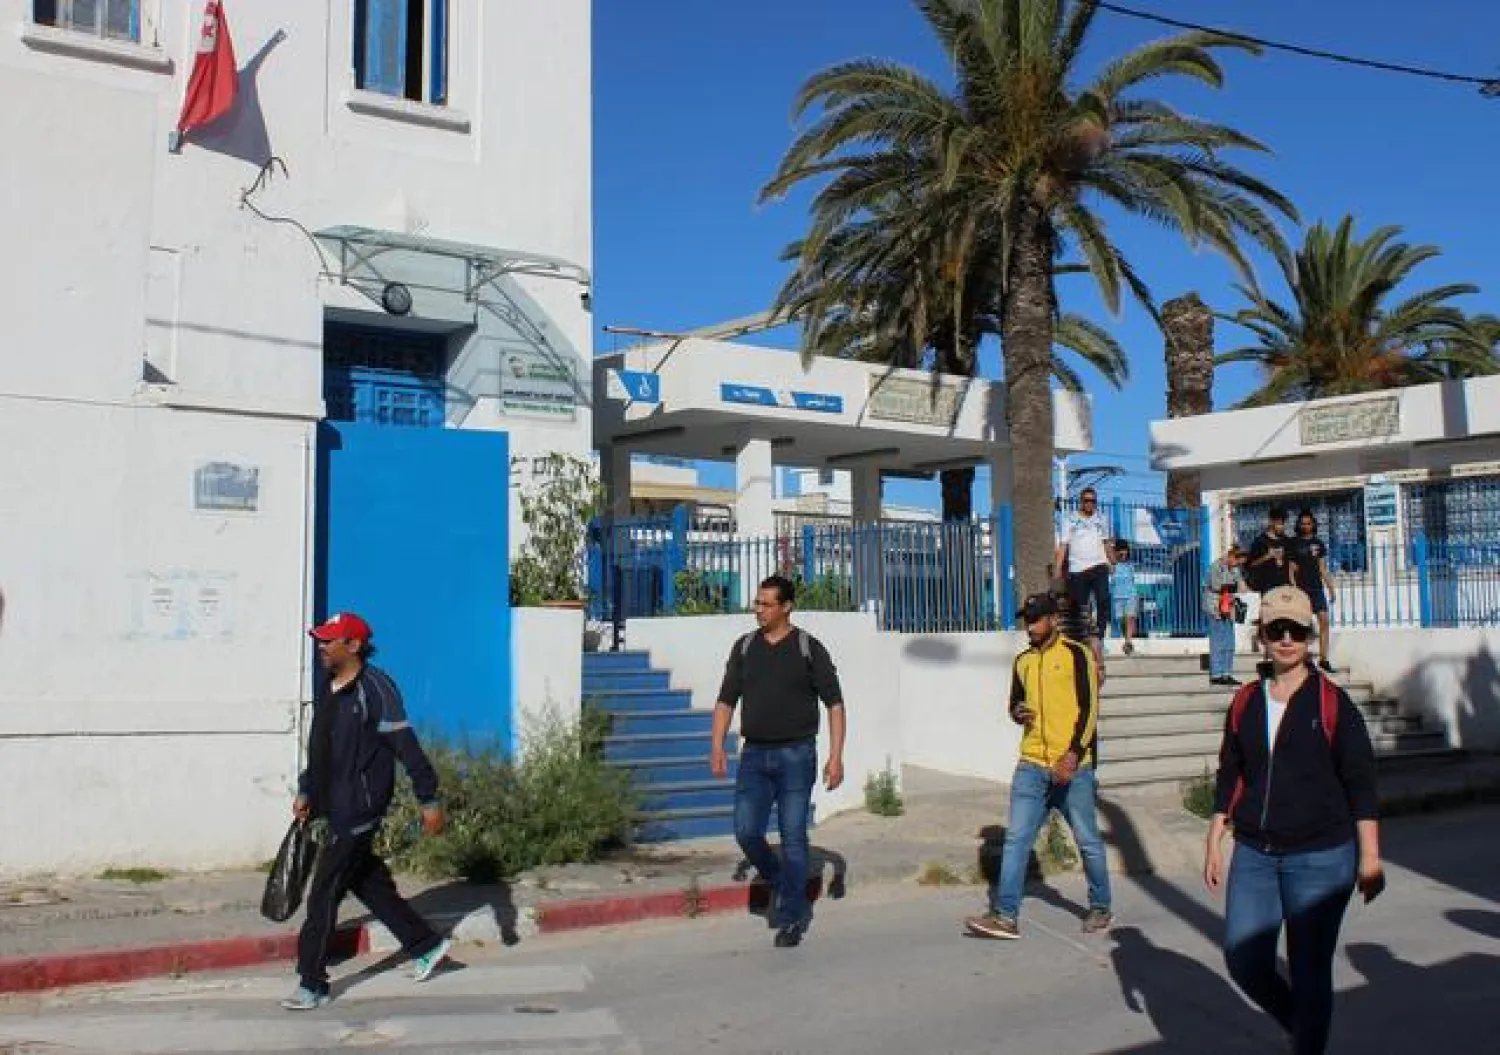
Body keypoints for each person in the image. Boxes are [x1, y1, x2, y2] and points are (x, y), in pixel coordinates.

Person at [1203, 586, 1384, 1055]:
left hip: (1322, 857)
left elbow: (1360, 781)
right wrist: (1215, 837)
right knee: (1244, 958)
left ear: (1309, 636)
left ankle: (1307, 1043)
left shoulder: (1332, 703)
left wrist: (1370, 856)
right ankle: (1300, 1026)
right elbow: (1231, 772)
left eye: (1297, 630)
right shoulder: (1245, 701)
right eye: (1276, 629)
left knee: (1309, 970)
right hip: (1257, 853)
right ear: (1261, 634)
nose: (1286, 639)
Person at [284, 613, 451, 1011]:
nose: (321, 647)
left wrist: (429, 801)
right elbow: (321, 749)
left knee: (324, 893)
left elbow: (407, 749)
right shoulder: (330, 686)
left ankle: (312, 983)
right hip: (333, 805)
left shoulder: (376, 690)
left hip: (359, 808)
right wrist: (308, 788)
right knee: (367, 881)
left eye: (329, 641)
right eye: (320, 641)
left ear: (353, 646)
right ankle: (426, 945)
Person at [965, 593, 1112, 941]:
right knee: (1017, 839)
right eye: (1026, 621)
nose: (1029, 627)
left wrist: (1074, 754)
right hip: (1032, 763)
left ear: (1053, 620)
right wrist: (1019, 713)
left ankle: (1101, 905)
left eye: (1035, 620)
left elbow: (1089, 709)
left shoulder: (1077, 655)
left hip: (1072, 767)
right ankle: (1005, 916)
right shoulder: (1023, 662)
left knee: (1088, 840)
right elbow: (1014, 704)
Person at [711, 575, 847, 949]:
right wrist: (717, 745)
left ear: (786, 607)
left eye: (766, 604)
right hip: (754, 754)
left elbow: (834, 704)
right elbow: (726, 700)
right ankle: (783, 883)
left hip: (796, 756)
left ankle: (791, 917)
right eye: (757, 603)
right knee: (745, 830)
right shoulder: (745, 647)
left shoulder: (807, 648)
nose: (759, 610)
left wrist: (836, 757)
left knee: (792, 837)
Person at [1055, 488, 1114, 647]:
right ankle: (1081, 640)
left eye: (1093, 501)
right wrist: (1058, 568)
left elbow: (1106, 542)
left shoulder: (1102, 518)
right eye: (1087, 500)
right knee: (1080, 608)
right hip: (1077, 570)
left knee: (1103, 600)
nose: (1090, 503)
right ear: (1081, 501)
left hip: (1099, 567)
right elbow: (1063, 545)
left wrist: (1112, 560)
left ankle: (1099, 638)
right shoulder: (1070, 519)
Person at [1290, 510, 1338, 673]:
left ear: (1313, 524)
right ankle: (1302, 659)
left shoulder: (1319, 543)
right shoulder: (1294, 543)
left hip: (1317, 589)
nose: (1306, 526)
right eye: (1303, 523)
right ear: (1299, 525)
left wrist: (1331, 589)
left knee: (1324, 621)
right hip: (1302, 590)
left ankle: (1324, 659)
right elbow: (1292, 569)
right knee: (1304, 625)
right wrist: (1294, 588)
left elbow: (1322, 568)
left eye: (1308, 523)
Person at [1203, 544, 1247, 686]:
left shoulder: (1234, 569)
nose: (1237, 565)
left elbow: (1241, 587)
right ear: (1231, 556)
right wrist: (1232, 585)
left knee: (1229, 641)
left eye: (1240, 564)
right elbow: (1217, 586)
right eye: (1236, 561)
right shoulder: (1216, 566)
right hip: (1215, 606)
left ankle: (1227, 673)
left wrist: (1233, 586)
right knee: (1217, 641)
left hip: (1229, 607)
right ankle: (1216, 674)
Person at [1110, 539, 1138, 656]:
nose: (1123, 554)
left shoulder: (1130, 565)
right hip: (1117, 596)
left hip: (1130, 595)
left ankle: (1128, 641)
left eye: (1125, 551)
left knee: (1129, 617)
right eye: (1120, 551)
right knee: (1121, 619)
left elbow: (1133, 580)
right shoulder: (1112, 566)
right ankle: (1126, 637)